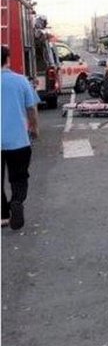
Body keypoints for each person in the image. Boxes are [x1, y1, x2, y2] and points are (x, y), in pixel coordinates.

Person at [2, 45, 40, 230]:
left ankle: (2, 215)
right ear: (8, 59)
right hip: (18, 140)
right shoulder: (21, 81)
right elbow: (31, 108)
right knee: (19, 177)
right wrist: (34, 128)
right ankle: (16, 202)